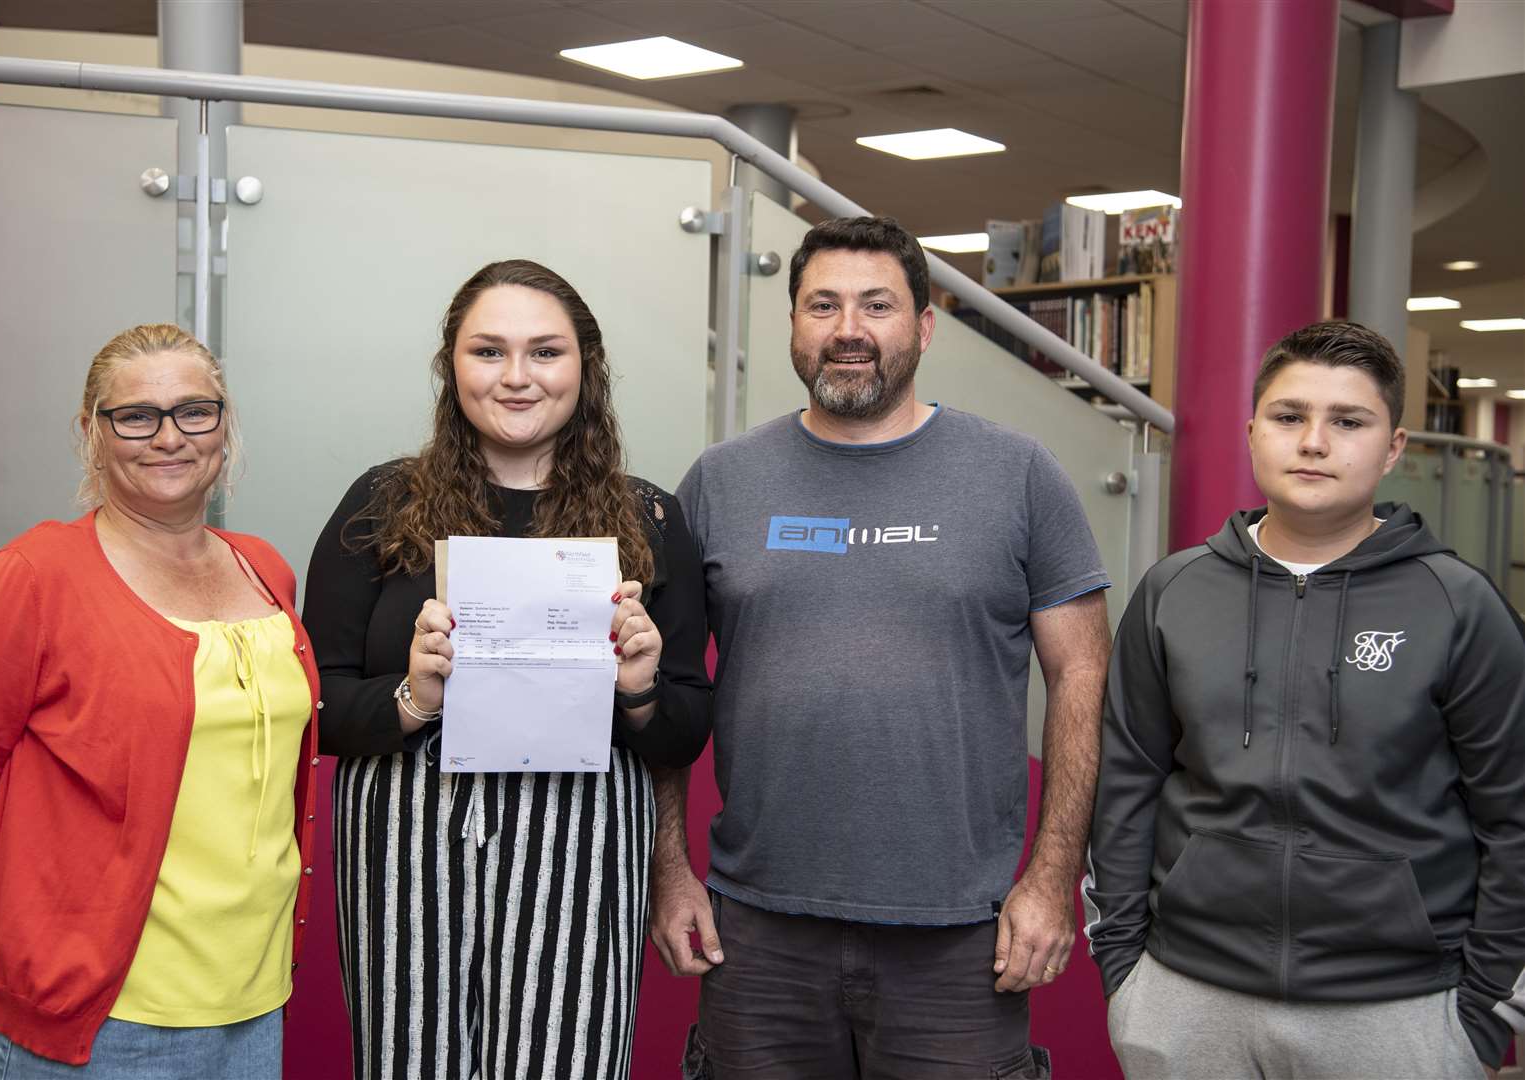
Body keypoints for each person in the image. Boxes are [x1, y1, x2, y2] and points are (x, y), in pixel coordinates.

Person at [652, 216, 1113, 1079]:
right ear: (793, 325)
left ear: (925, 326)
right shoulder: (721, 480)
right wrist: (669, 870)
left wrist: (1053, 879)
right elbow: (666, 690)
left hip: (961, 934)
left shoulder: (1018, 474)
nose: (848, 330)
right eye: (822, 305)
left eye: (877, 305)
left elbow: (1083, 673)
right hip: (757, 931)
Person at [304, 258, 712, 1080]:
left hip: (586, 838)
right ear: (450, 366)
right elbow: (320, 704)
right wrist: (412, 698)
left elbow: (685, 728)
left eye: (545, 352)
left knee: (566, 1061)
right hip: (405, 839)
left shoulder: (651, 517)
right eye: (488, 352)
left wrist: (637, 691)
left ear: (585, 369)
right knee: (405, 1060)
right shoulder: (381, 504)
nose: (517, 377)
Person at [1086, 321, 1525, 1079]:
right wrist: (1127, 976)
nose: (1314, 442)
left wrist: (1482, 1017)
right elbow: (1126, 787)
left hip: (1399, 1011)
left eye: (1348, 422)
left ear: (1393, 447)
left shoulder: (1459, 606)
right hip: (1187, 997)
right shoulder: (1173, 592)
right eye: (1289, 418)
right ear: (1254, 432)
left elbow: (1515, 820)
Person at [0, 324, 321, 1077]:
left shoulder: (263, 569)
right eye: (136, 416)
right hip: (96, 1021)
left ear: (225, 423)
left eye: (195, 410)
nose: (169, 436)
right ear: (92, 434)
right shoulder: (33, 577)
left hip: (253, 1003)